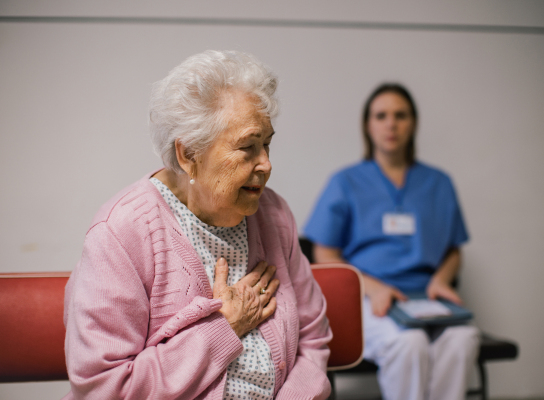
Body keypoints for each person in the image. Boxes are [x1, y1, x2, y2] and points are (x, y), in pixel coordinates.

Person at [63, 50, 332, 400]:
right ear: (188, 154)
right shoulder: (122, 233)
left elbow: (313, 336)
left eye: (267, 144)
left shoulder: (274, 214)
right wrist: (225, 328)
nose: (266, 164)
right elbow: (106, 388)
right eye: (247, 147)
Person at [304, 83, 479, 400]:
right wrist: (372, 287)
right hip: (370, 301)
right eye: (381, 115)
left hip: (426, 296)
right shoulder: (345, 182)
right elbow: (324, 252)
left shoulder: (439, 183)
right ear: (367, 125)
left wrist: (442, 280)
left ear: (413, 123)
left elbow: (454, 250)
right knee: (408, 343)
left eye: (400, 115)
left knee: (463, 337)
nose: (391, 124)